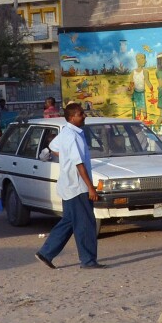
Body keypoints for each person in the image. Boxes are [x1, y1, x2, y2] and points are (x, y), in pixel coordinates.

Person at [35, 102, 104, 269]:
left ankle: (46, 252)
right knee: (86, 224)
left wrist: (65, 157)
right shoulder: (72, 136)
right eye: (81, 114)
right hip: (77, 186)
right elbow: (79, 163)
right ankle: (88, 260)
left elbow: (53, 147)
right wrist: (90, 187)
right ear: (72, 117)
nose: (84, 116)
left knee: (69, 221)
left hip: (69, 185)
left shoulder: (67, 132)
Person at [128, 52, 153, 120]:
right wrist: (130, 89)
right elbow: (131, 82)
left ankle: (144, 118)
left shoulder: (145, 71)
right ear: (138, 60)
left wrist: (151, 87)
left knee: (143, 106)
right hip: (135, 92)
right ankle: (139, 118)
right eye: (144, 59)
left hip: (141, 92)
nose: (145, 61)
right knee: (138, 106)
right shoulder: (133, 72)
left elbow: (147, 81)